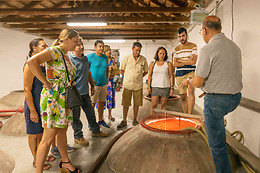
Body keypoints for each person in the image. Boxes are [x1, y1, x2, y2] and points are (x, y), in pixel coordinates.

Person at [180, 15, 242, 173]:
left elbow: (198, 82)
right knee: (219, 126)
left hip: (216, 101)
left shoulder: (207, 50)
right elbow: (222, 70)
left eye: (201, 31)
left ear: (205, 30)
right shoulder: (235, 47)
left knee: (217, 146)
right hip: (235, 99)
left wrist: (188, 81)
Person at [27, 29, 80, 173]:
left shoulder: (65, 55)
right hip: (54, 99)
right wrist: (46, 82)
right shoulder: (54, 51)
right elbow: (32, 62)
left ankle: (65, 162)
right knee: (48, 137)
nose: (76, 45)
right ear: (67, 39)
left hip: (64, 98)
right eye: (75, 41)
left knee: (62, 131)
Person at [69, 37, 108, 146]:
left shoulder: (85, 59)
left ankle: (95, 131)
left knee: (91, 114)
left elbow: (88, 72)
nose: (81, 47)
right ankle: (78, 136)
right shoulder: (70, 60)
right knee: (75, 117)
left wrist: (91, 84)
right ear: (73, 46)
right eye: (78, 45)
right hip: (75, 94)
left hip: (85, 92)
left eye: (82, 44)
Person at [23, 38, 55, 170]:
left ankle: (41, 155)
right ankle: (36, 160)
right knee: (34, 134)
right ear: (34, 48)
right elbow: (27, 89)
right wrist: (33, 111)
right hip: (33, 104)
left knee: (41, 132)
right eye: (43, 46)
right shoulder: (29, 65)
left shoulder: (42, 64)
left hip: (43, 104)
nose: (46, 48)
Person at [117, 42, 148, 129]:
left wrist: (138, 77)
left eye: (139, 50)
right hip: (127, 85)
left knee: (136, 104)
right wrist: (128, 77)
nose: (138, 52)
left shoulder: (143, 59)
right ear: (132, 49)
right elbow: (121, 70)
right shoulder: (127, 58)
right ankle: (124, 121)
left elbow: (146, 71)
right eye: (136, 50)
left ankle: (135, 119)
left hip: (138, 86)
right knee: (125, 104)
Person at [173, 27, 197, 114]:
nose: (181, 38)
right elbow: (174, 64)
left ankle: (190, 114)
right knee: (183, 97)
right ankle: (185, 114)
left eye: (183, 36)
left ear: (187, 35)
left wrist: (181, 60)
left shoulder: (193, 46)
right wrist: (187, 61)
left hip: (190, 73)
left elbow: (193, 61)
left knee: (191, 91)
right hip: (179, 74)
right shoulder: (176, 49)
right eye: (179, 36)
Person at [87, 40, 110, 128]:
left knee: (101, 103)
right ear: (95, 47)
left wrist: (107, 78)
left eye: (102, 46)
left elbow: (106, 68)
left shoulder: (105, 57)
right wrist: (90, 81)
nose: (101, 48)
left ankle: (101, 120)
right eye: (99, 46)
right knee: (92, 104)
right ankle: (91, 123)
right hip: (94, 85)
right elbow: (86, 69)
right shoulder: (90, 57)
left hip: (103, 84)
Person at [147, 47, 174, 114]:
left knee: (163, 105)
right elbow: (149, 76)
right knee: (154, 105)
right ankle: (152, 120)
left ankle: (162, 121)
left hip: (165, 87)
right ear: (157, 54)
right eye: (160, 53)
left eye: (163, 54)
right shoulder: (153, 64)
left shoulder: (168, 64)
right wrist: (149, 87)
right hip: (155, 87)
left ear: (165, 55)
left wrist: (172, 88)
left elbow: (171, 76)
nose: (162, 55)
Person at [103, 45, 116, 121]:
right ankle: (101, 117)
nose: (109, 52)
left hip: (110, 81)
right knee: (102, 99)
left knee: (110, 97)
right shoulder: (102, 60)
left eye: (109, 50)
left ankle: (110, 115)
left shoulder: (112, 59)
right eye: (107, 50)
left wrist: (113, 75)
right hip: (103, 81)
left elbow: (115, 70)